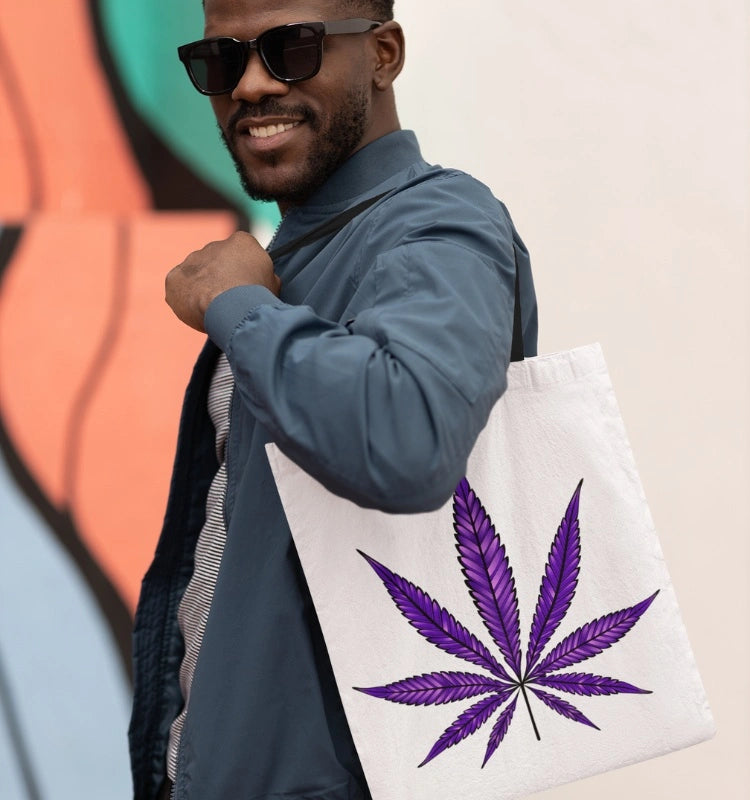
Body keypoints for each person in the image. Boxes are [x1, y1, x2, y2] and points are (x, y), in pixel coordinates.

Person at [128, 0, 538, 798]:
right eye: (221, 60)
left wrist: (241, 309)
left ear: (383, 54)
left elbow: (408, 440)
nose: (249, 85)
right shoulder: (306, 253)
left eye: (292, 49)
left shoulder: (438, 223)